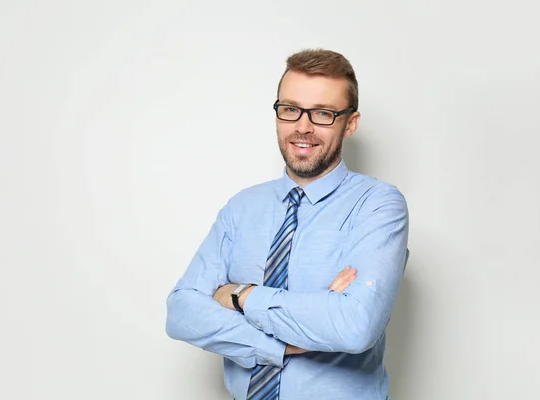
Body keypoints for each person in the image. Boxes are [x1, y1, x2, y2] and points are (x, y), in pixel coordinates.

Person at [165, 48, 409, 400]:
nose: (303, 126)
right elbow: (182, 313)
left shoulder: (378, 205)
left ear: (350, 123)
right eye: (291, 109)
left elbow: (354, 327)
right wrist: (285, 342)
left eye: (323, 113)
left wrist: (240, 295)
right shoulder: (242, 207)